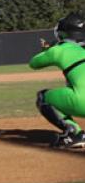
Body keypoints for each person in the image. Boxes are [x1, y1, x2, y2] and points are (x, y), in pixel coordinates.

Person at [29, 13, 85, 149]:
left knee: (43, 97)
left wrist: (49, 50)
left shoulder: (59, 50)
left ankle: (74, 134)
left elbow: (34, 63)